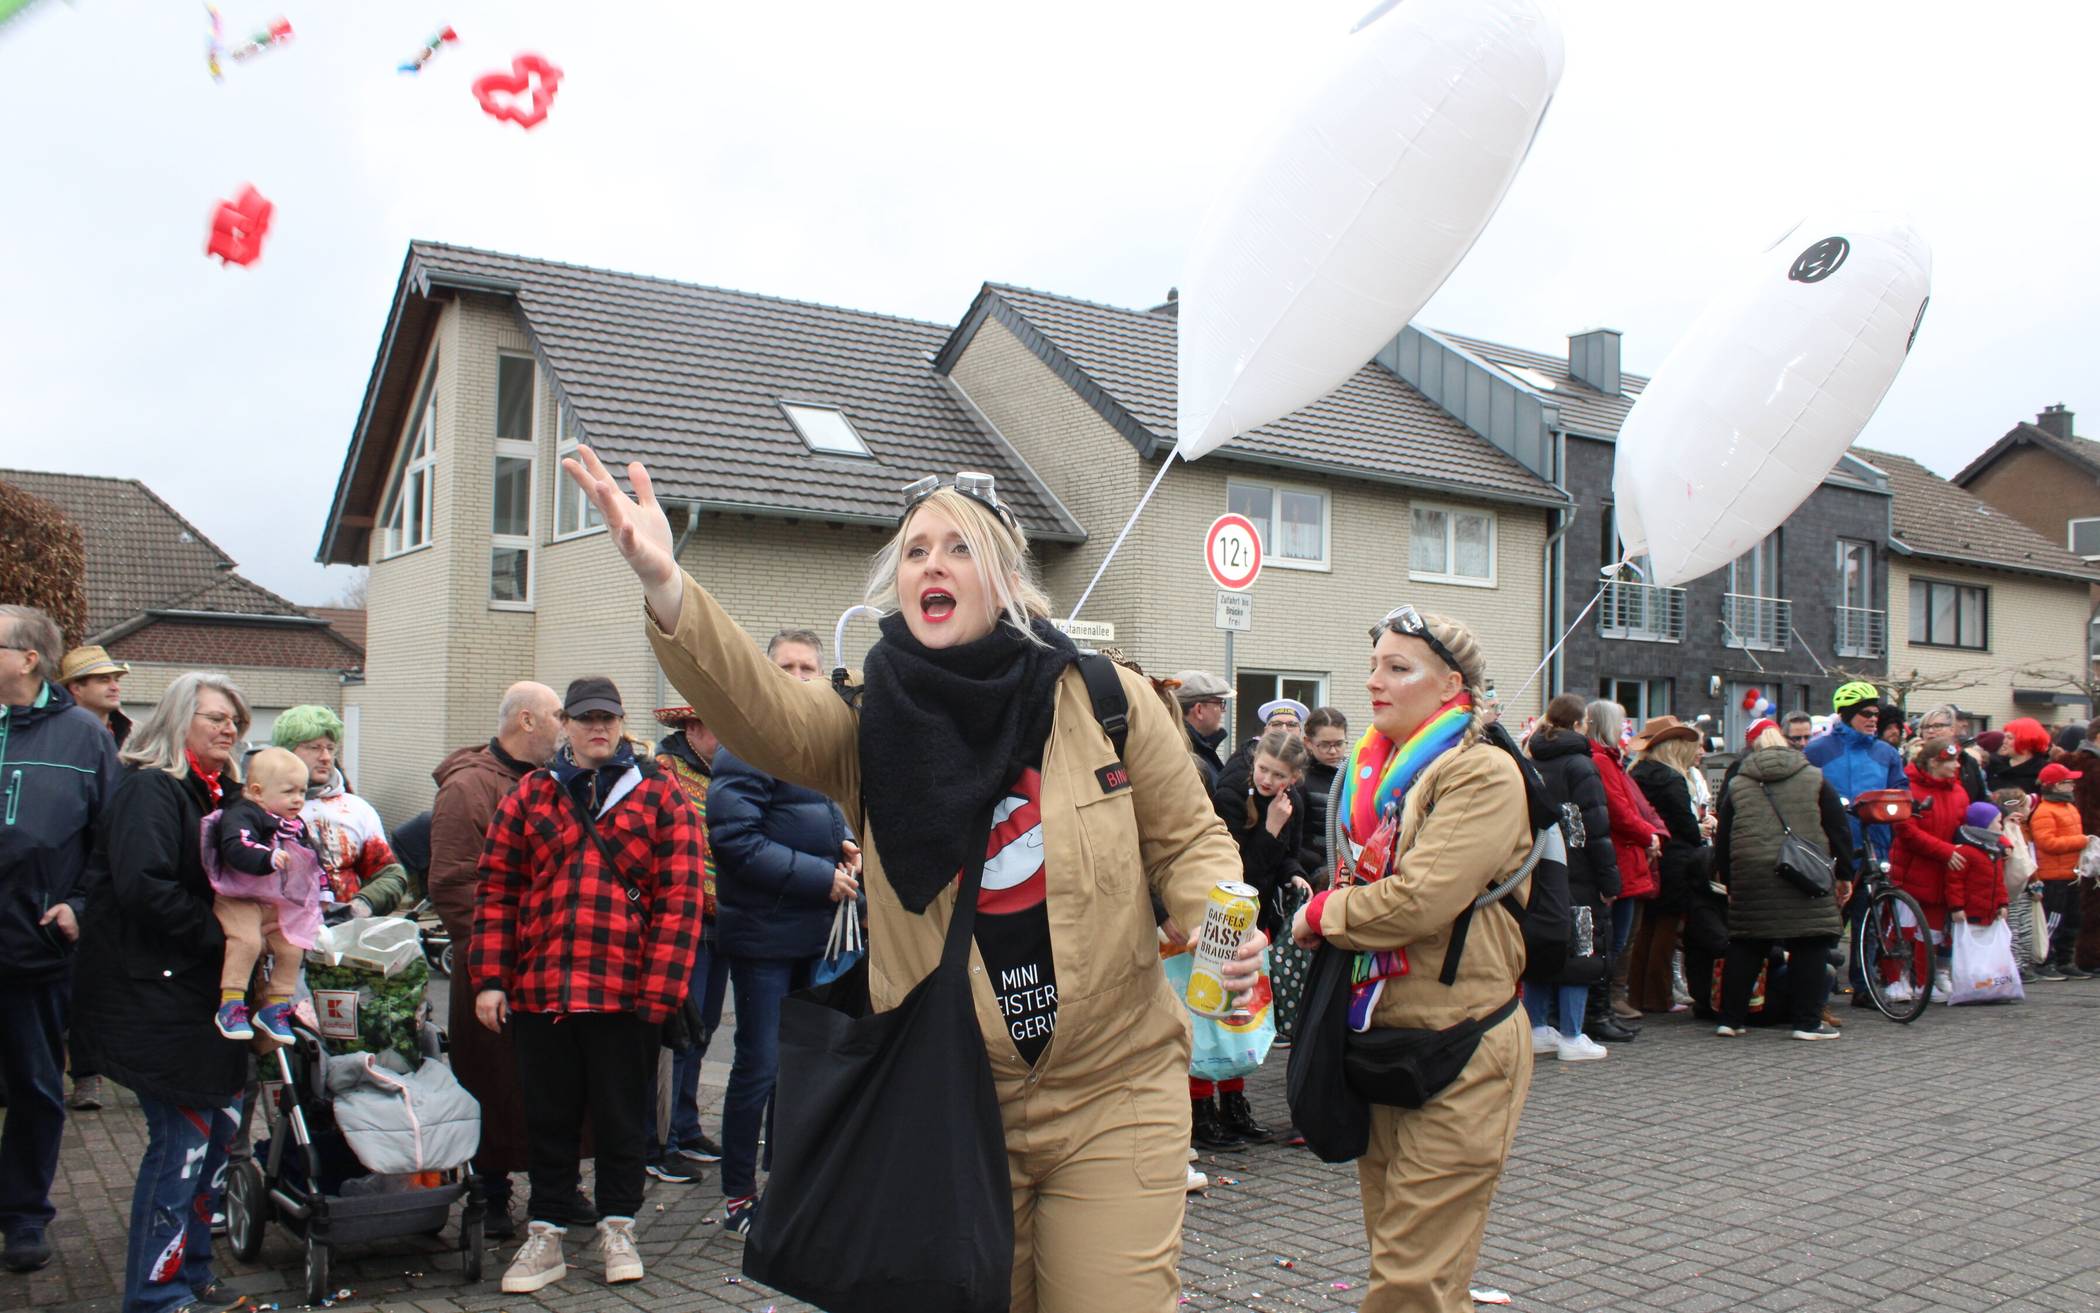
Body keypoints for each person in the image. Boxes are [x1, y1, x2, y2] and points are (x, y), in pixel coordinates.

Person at [568, 448, 1260, 1312]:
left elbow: (1192, 838)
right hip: (947, 1099)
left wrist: (1213, 920)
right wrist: (667, 581)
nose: (932, 562)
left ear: (1007, 573)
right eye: (915, 549)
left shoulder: (1103, 697)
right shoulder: (867, 721)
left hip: (1112, 1088)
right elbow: (767, 713)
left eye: (959, 547)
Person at [1289, 605, 1532, 1312]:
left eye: (1398, 667)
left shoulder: (1481, 772)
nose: (1375, 682)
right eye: (1372, 666)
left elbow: (1421, 900)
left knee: (1409, 1280)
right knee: (1407, 1263)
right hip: (1382, 1040)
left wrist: (1321, 916)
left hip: (1462, 1044)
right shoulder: (1373, 775)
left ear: (1452, 682)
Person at [473, 676, 703, 1294]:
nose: (598, 728)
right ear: (565, 726)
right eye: (585, 719)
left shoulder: (660, 795)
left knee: (623, 1118)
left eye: (608, 718)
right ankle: (544, 1231)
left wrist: (660, 992)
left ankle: (618, 1226)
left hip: (625, 993)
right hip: (541, 989)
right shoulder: (528, 798)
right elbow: (497, 892)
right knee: (546, 1117)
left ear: (622, 724)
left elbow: (682, 900)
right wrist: (490, 979)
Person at [70, 673, 252, 1313]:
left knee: (209, 1150)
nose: (228, 729)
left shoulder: (226, 796)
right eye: (213, 718)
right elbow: (144, 887)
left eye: (234, 720)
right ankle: (155, 1295)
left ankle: (193, 1274)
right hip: (156, 996)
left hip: (208, 999)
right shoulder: (152, 791)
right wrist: (224, 937)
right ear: (177, 723)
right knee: (180, 1146)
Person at [707, 629, 862, 1234]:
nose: (799, 677)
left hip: (812, 935)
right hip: (764, 935)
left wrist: (843, 846)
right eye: (787, 667)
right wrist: (819, 877)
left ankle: (791, 1182)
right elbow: (734, 839)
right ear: (766, 674)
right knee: (759, 1066)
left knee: (800, 1068)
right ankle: (739, 1196)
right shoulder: (748, 741)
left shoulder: (813, 743)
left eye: (809, 668)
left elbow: (816, 818)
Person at [0, 608, 119, 1274]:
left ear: (26, 659)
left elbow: (107, 841)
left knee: (36, 1086)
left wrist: (78, 904)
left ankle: (23, 1214)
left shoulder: (83, 736)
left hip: (35, 947)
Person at [427, 680, 561, 1241]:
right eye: (558, 714)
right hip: (494, 969)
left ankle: (556, 1189)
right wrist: (499, 959)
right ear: (527, 720)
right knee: (494, 1081)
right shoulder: (468, 789)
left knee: (552, 1084)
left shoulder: (557, 783)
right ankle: (493, 1193)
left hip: (552, 967)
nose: (567, 723)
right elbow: (454, 883)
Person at [1199, 727, 1309, 1147]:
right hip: (1226, 913)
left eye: (1278, 775)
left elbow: (1284, 857)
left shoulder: (1290, 804)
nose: (1267, 780)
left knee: (1242, 1015)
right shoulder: (1231, 793)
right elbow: (1238, 869)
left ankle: (1234, 1102)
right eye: (1263, 769)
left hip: (1257, 920)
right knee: (1212, 1015)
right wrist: (1270, 828)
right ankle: (1202, 1108)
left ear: (1293, 778)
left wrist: (1296, 874)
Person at [1711, 724, 1854, 1040]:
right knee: (1811, 942)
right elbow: (1838, 827)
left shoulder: (1740, 783)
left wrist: (1728, 878)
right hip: (1802, 871)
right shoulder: (1814, 778)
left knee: (1747, 942)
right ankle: (1806, 1022)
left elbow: (1724, 835)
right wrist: (1845, 874)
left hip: (1751, 871)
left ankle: (1730, 1019)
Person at [644, 705, 728, 1179]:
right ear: (693, 728)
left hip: (720, 922)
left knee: (704, 1029)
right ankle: (660, 1142)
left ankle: (686, 1123)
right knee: (675, 1035)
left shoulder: (723, 773)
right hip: (682, 925)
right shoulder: (665, 774)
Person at [1526, 693, 1625, 1058]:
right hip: (1579, 869)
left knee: (1541, 945)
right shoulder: (1581, 765)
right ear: (1582, 723)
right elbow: (1596, 827)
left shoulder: (1530, 760)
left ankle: (1536, 1027)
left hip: (1538, 866)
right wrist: (1610, 881)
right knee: (1582, 947)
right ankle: (1571, 1035)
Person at [203, 747, 321, 1046]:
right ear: (257, 791)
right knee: (248, 941)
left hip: (272, 901)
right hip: (238, 897)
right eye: (289, 791)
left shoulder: (294, 823)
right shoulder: (242, 814)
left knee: (293, 945)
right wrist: (267, 858)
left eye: (303, 791)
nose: (298, 799)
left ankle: (276, 1005)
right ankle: (231, 1002)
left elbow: (311, 859)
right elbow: (237, 846)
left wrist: (324, 887)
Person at [1804, 682, 1905, 1003]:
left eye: (1877, 713)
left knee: (1869, 917)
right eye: (1866, 713)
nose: (1874, 719)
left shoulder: (1886, 753)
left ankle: (1864, 988)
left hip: (1875, 844)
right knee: (1829, 921)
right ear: (1847, 715)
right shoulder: (1818, 751)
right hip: (1832, 845)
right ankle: (1818, 983)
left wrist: (1911, 803)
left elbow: (1900, 788)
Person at [272, 707, 411, 916]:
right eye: (314, 747)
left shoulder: (357, 809)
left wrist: (364, 904)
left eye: (330, 748)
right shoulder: (263, 808)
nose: (326, 757)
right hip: (280, 933)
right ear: (286, 751)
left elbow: (390, 875)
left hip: (344, 934)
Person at [1627, 717, 1710, 1015]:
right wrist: (1702, 828)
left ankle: (1637, 994)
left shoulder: (1636, 772)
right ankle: (1658, 996)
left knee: (1646, 929)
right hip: (1676, 860)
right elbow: (1685, 827)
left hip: (1651, 858)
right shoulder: (1671, 779)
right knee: (1666, 930)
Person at [1585, 700, 1661, 1023]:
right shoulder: (1603, 762)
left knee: (1618, 937)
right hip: (1619, 858)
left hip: (1624, 856)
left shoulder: (1610, 761)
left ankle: (1604, 1005)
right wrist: (1649, 835)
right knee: (1614, 939)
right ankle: (1601, 1008)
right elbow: (1620, 811)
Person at [1889, 740, 1969, 999]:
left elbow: (1962, 828)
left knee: (1932, 935)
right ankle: (1895, 978)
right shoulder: (1909, 788)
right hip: (1911, 871)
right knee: (1903, 929)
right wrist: (1945, 851)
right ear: (1935, 762)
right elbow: (1907, 831)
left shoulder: (1958, 792)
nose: (1957, 766)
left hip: (1941, 873)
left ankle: (1925, 982)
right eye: (1952, 761)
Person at [2029, 762, 2089, 980]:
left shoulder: (2069, 808)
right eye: (2067, 782)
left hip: (2071, 874)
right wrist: (2081, 841)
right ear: (2054, 786)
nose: (2072, 785)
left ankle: (2065, 960)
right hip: (2053, 877)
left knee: (2072, 920)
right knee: (2053, 921)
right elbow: (2047, 843)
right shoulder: (2044, 811)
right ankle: (2045, 960)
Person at [1946, 801, 2012, 973]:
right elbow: (1955, 882)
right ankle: (1969, 980)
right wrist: (1957, 907)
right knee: (1969, 951)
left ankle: (1988, 981)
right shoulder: (1966, 852)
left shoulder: (1994, 851)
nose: (2001, 826)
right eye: (1998, 821)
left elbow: (1999, 882)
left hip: (1990, 913)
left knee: (1988, 952)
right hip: (1970, 913)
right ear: (1985, 824)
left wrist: (2002, 904)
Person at [1301, 708, 1349, 876]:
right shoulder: (1299, 779)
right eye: (1324, 745)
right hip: (1311, 873)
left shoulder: (1352, 776)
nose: (1333, 751)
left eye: (1339, 744)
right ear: (1308, 742)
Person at [57, 644, 132, 749]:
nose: (115, 687)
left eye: (116, 680)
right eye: (104, 680)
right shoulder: (55, 734)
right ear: (76, 689)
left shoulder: (135, 734)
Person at [1914, 704, 1987, 803]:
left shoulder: (1967, 761)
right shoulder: (1913, 761)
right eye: (1926, 727)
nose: (1930, 731)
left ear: (1952, 729)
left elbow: (1981, 798)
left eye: (1937, 726)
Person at [1174, 672, 1234, 791]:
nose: (1224, 710)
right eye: (1220, 703)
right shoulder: (1189, 761)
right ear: (1199, 710)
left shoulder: (1179, 747)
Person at [1987, 718, 2054, 795]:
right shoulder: (1992, 765)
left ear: (2026, 742)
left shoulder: (2045, 772)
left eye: (2010, 738)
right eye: (2005, 737)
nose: (2004, 741)